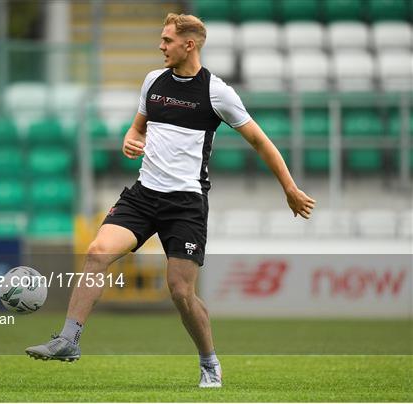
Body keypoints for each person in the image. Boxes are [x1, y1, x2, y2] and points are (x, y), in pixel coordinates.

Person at [25, 13, 316, 388]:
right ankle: (68, 339)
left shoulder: (217, 92)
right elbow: (137, 127)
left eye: (167, 40)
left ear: (188, 45)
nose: (161, 46)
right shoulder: (153, 81)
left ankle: (209, 361)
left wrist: (289, 188)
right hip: (144, 195)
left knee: (180, 292)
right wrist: (130, 139)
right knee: (97, 252)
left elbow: (261, 141)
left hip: (186, 204)